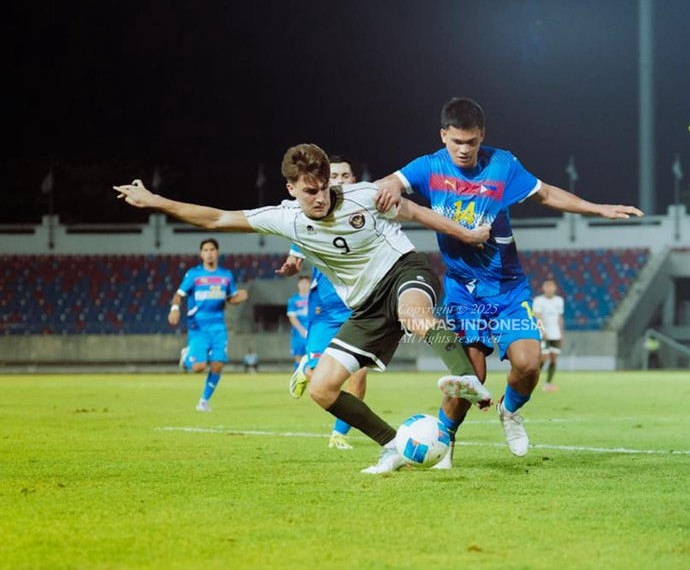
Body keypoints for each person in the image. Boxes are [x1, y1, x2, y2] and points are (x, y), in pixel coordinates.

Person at [115, 143, 492, 474]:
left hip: (403, 270)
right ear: (291, 188)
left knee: (415, 316)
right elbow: (217, 218)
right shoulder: (286, 218)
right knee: (321, 388)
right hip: (364, 305)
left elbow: (414, 212)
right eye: (309, 191)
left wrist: (465, 233)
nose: (320, 197)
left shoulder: (362, 195)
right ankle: (394, 445)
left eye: (324, 187)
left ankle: (467, 380)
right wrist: (157, 201)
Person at [376, 97, 643, 467]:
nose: (465, 149)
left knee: (529, 362)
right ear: (443, 136)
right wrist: (387, 186)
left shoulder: (503, 165)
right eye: (457, 142)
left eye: (472, 142)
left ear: (482, 135)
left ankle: (510, 412)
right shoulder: (429, 168)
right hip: (462, 290)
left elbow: (547, 193)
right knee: (469, 374)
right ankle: (444, 443)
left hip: (506, 287)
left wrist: (598, 209)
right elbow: (391, 182)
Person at [281, 155, 370, 450]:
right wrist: (293, 260)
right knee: (319, 375)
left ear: (353, 180)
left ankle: (339, 434)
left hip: (359, 308)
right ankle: (307, 366)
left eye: (346, 176)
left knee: (358, 375)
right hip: (325, 308)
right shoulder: (313, 217)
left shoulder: (364, 213)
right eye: (335, 177)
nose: (341, 181)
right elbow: (297, 246)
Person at [169, 238, 248, 412]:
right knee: (198, 367)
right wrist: (175, 308)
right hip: (198, 326)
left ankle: (203, 402)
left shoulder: (226, 275)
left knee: (218, 364)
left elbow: (230, 298)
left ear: (217, 252)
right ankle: (186, 357)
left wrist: (239, 298)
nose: (209, 253)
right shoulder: (194, 275)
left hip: (218, 326)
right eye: (205, 250)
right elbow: (178, 295)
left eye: (212, 249)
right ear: (201, 254)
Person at [533, 277, 565, 392]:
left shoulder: (559, 300)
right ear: (543, 288)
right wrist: (542, 331)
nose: (549, 288)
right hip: (543, 335)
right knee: (543, 358)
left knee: (554, 359)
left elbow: (560, 318)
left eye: (551, 286)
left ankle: (548, 384)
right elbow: (537, 317)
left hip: (555, 334)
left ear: (555, 288)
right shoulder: (538, 300)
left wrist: (561, 334)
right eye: (547, 286)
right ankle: (533, 380)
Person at [286, 275, 310, 370]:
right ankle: (298, 379)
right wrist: (301, 330)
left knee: (313, 356)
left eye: (306, 283)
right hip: (298, 334)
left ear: (310, 284)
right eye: (302, 283)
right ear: (298, 285)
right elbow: (292, 317)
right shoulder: (293, 300)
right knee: (298, 357)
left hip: (312, 332)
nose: (304, 285)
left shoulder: (314, 299)